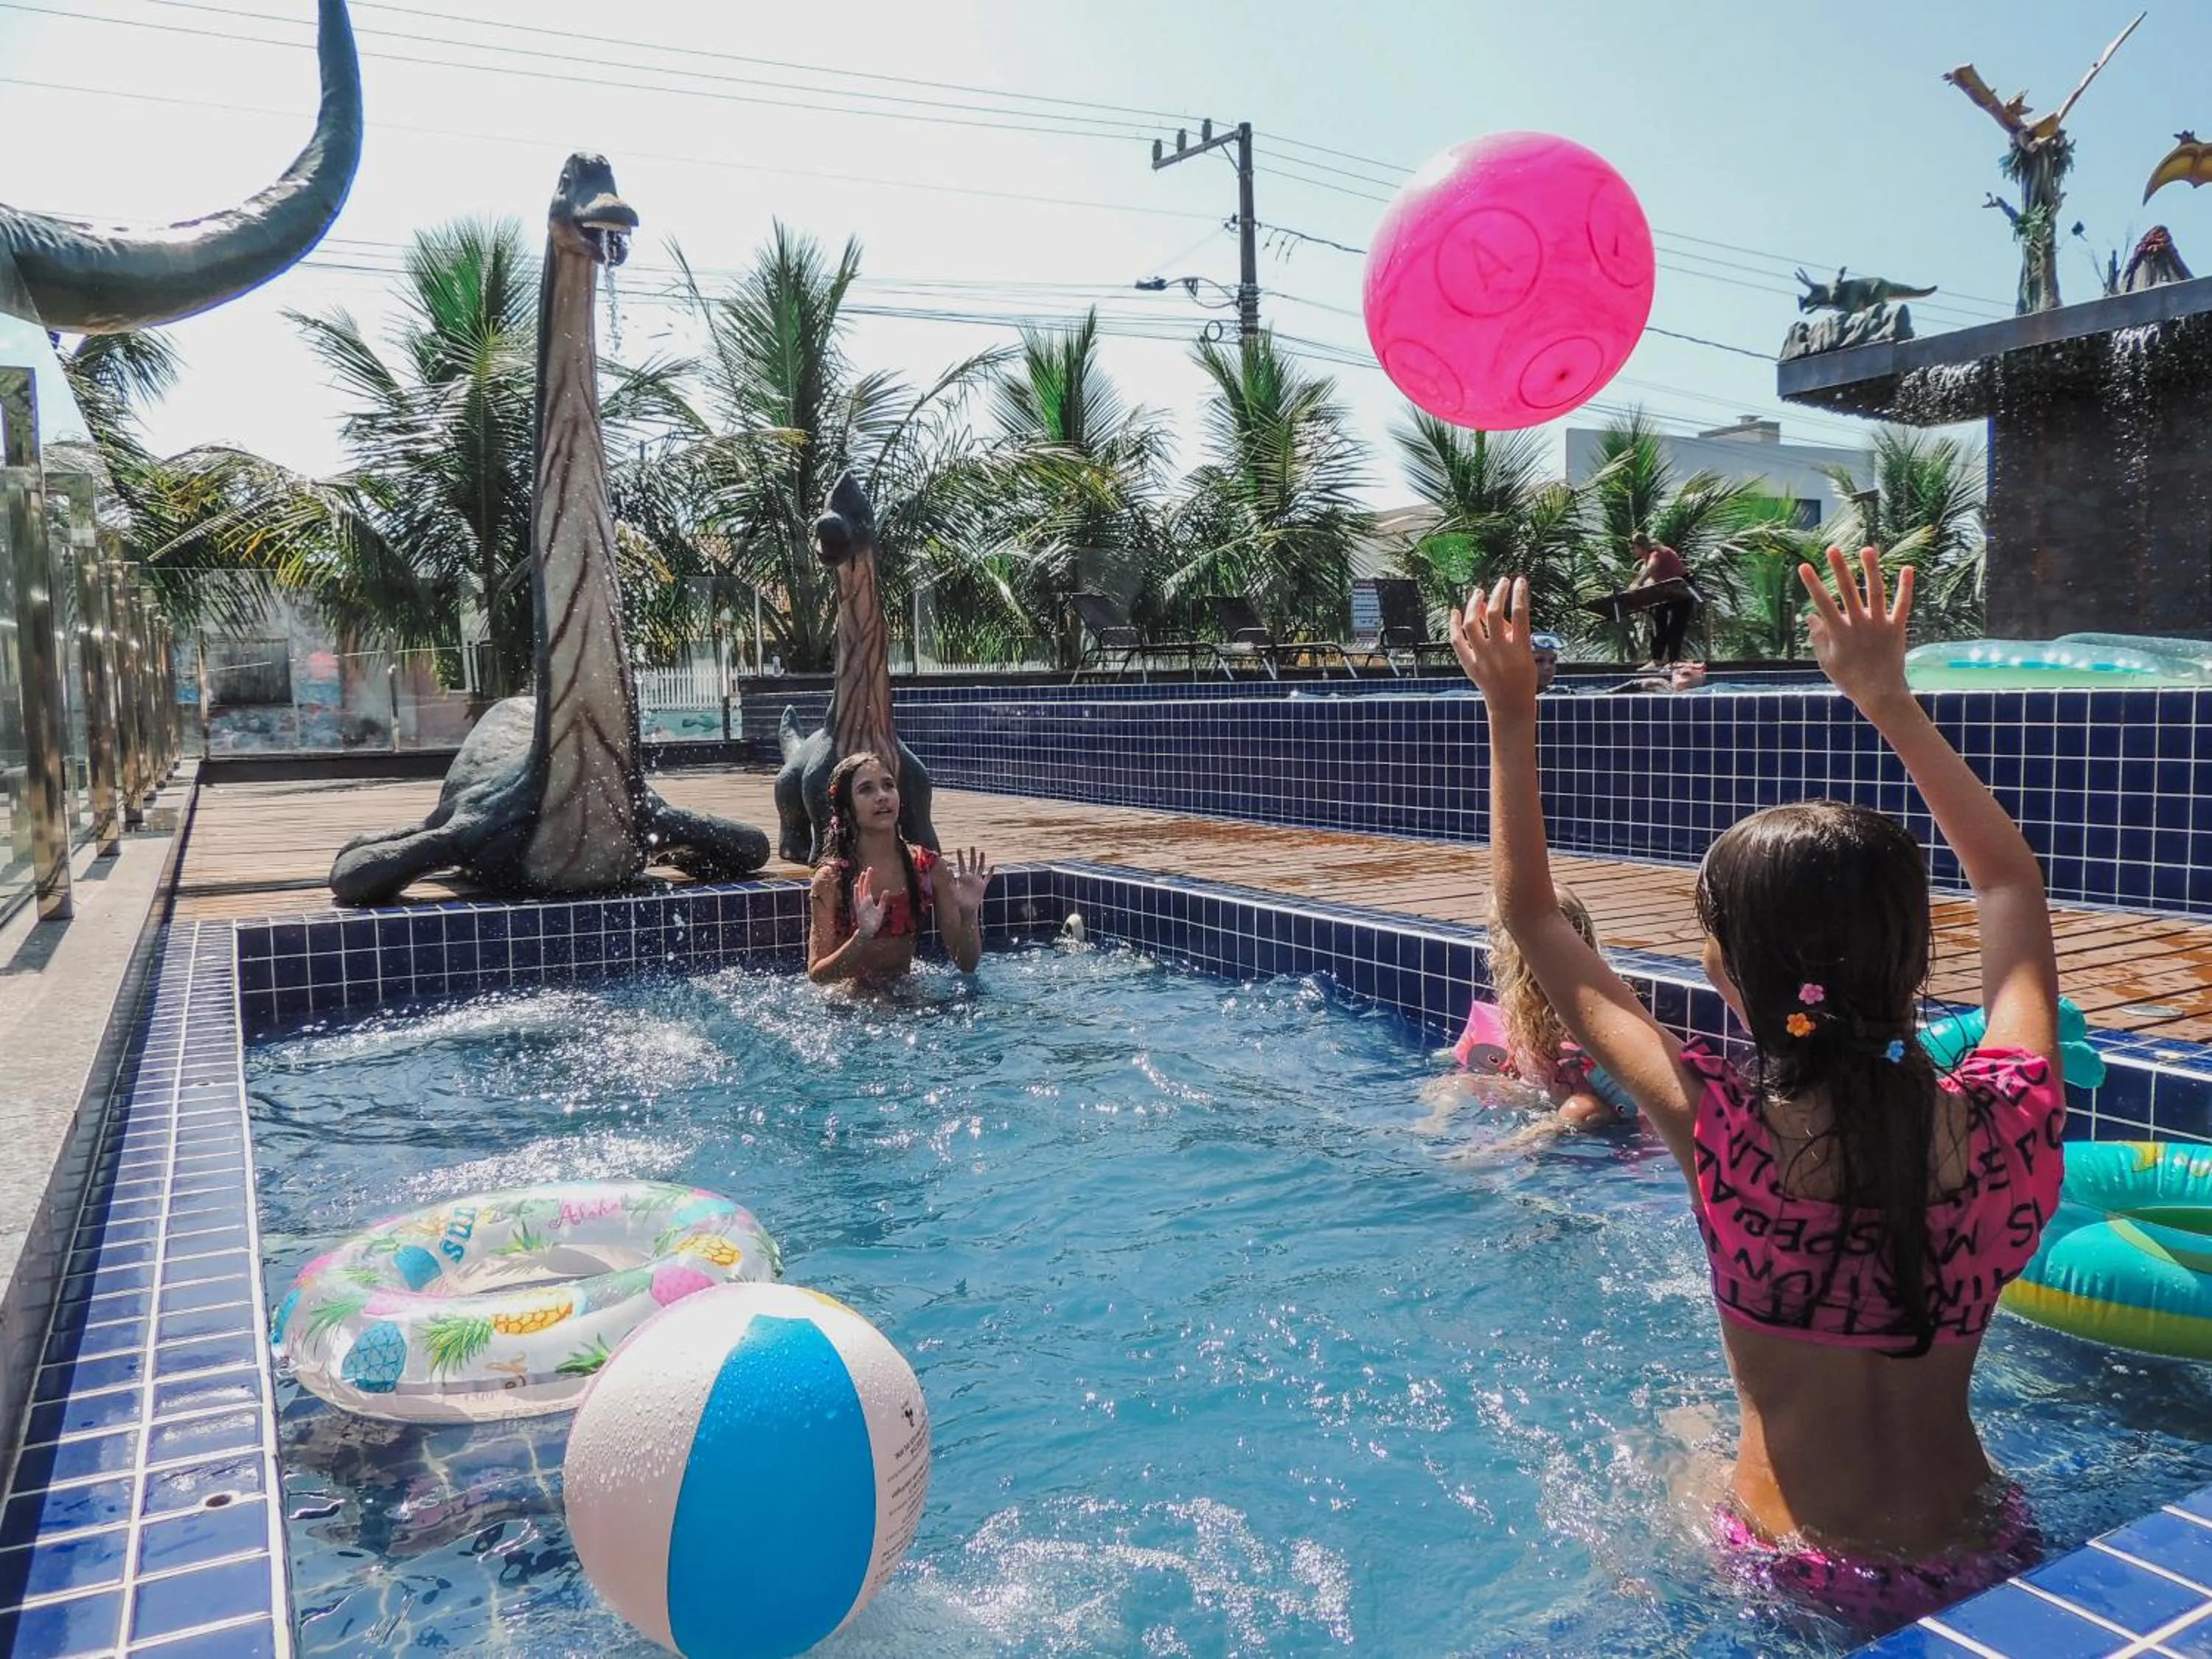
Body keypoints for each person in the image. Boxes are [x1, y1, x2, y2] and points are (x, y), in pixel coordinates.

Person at [1449, 548, 2065, 1634]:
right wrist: (1887, 696)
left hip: (1793, 1566)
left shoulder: (1723, 1132)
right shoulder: (2013, 1117)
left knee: (1670, 1452)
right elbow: (2012, 880)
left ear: (1725, 975)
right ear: (1922, 964)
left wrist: (1512, 710)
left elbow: (1535, 920)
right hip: (1990, 1546)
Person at [807, 751, 993, 984]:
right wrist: (861, 936)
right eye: (866, 789)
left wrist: (968, 915)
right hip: (849, 1006)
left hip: (908, 999)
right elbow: (817, 975)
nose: (882, 796)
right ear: (845, 809)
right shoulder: (831, 879)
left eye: (888, 786)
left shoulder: (929, 868)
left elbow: (966, 964)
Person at [1628, 529, 1698, 666]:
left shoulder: (1657, 552)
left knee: (1675, 627)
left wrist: (1638, 583)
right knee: (1658, 624)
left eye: (1633, 548)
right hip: (1665, 590)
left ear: (1641, 546)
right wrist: (1635, 588)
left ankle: (1673, 662)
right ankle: (1657, 660)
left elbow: (1651, 568)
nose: (1632, 552)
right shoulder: (1647, 557)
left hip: (1682, 588)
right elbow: (1647, 574)